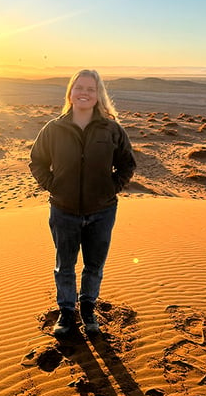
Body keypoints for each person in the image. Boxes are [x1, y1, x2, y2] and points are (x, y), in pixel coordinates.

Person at [29, 69, 136, 337]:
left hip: (102, 211)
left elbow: (127, 164)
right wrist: (53, 186)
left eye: (90, 89)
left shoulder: (112, 129)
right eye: (79, 88)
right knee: (64, 265)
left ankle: (87, 309)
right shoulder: (54, 128)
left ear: (98, 95)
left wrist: (110, 189)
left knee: (94, 265)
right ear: (70, 92)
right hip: (64, 210)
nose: (84, 93)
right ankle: (66, 312)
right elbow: (37, 161)